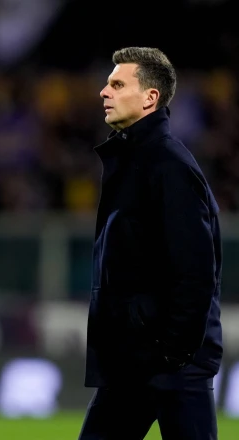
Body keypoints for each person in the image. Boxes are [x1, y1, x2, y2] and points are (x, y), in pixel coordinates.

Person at [78, 47, 223, 440]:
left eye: (117, 84)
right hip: (132, 360)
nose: (104, 92)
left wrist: (174, 352)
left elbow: (196, 271)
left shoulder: (169, 165)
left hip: (170, 366)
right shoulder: (134, 160)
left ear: (149, 97)